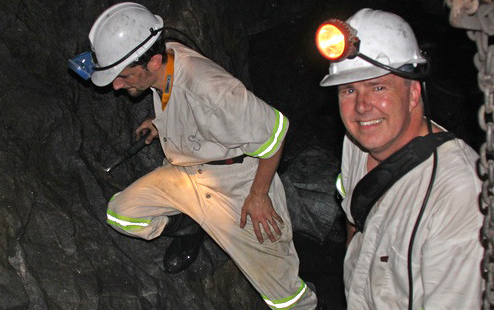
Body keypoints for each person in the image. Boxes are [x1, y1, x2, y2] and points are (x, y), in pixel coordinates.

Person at [72, 2, 317, 309]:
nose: (117, 86)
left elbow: (275, 133)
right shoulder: (164, 60)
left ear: (152, 62)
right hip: (189, 171)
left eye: (123, 76)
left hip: (238, 184)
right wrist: (161, 124)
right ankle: (191, 224)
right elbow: (181, 102)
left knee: (284, 296)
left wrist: (259, 195)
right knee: (120, 214)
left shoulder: (212, 90)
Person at [317, 8, 494, 309]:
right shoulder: (355, 142)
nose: (361, 106)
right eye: (348, 89)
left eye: (378, 87)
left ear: (414, 93)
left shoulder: (458, 194)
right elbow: (354, 219)